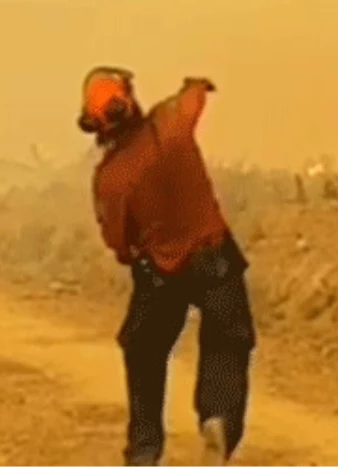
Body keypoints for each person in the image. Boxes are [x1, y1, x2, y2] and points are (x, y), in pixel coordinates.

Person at [77, 66, 256, 467]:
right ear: (129, 102)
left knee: (143, 349)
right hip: (215, 256)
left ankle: (144, 450)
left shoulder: (111, 179)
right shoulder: (170, 123)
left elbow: (118, 243)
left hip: (158, 272)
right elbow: (195, 96)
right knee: (228, 341)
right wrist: (196, 84)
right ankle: (218, 418)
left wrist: (141, 252)